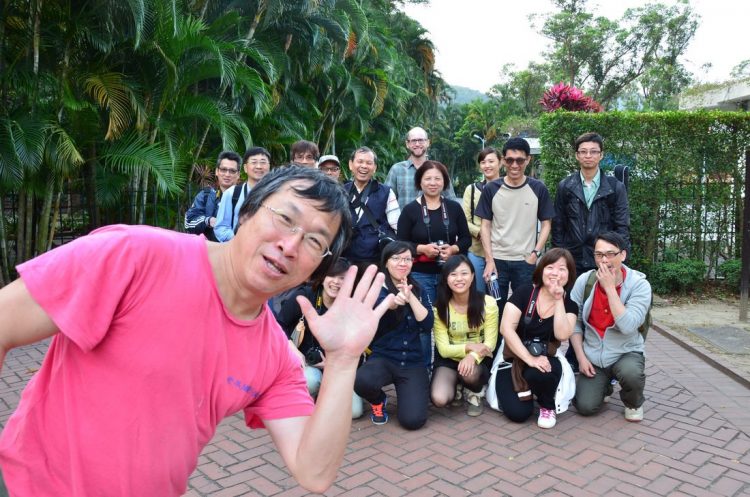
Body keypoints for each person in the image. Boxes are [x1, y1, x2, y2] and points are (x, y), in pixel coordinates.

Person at [0, 166, 395, 496]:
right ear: (246, 213)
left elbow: (314, 472)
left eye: (313, 241)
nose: (290, 245)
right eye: (285, 218)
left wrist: (343, 361)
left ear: (318, 267)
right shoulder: (136, 255)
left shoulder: (274, 356)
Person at [552, 132, 630, 371]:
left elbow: (622, 225)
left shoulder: (614, 188)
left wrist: (615, 261)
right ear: (576, 155)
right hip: (574, 258)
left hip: (603, 259)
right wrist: (560, 259)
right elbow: (559, 225)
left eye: (593, 151)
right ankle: (576, 358)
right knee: (574, 309)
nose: (588, 156)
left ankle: (606, 358)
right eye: (583, 151)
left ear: (601, 155)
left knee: (601, 308)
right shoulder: (566, 186)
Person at [569, 232, 651, 422]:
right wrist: (581, 358)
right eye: (599, 255)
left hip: (626, 352)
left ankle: (633, 402)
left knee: (631, 374)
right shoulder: (585, 281)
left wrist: (610, 288)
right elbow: (574, 322)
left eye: (610, 254)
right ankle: (604, 385)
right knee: (585, 406)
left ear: (622, 255)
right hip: (595, 356)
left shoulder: (640, 286)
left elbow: (628, 325)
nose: (604, 260)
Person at [494, 248, 578, 429]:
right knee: (518, 414)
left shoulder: (570, 305)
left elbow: (562, 335)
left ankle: (547, 405)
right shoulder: (524, 293)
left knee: (542, 372)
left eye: (562, 268)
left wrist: (558, 300)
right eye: (550, 267)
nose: (555, 273)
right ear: (541, 270)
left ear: (569, 275)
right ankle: (526, 389)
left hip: (546, 359)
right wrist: (529, 359)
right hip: (513, 357)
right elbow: (506, 329)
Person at [354, 241, 433, 429]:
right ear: (386, 262)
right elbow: (372, 319)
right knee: (362, 381)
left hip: (412, 361)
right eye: (396, 258)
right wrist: (392, 303)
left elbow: (427, 325)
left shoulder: (419, 289)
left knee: (413, 421)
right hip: (384, 358)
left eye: (407, 259)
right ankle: (378, 400)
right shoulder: (376, 290)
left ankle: (408, 392)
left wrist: (410, 296)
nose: (402, 263)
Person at [275, 258, 364, 419]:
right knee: (311, 380)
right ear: (323, 277)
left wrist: (333, 363)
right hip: (307, 364)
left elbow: (360, 349)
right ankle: (306, 392)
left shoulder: (352, 307)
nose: (336, 282)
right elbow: (278, 325)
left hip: (337, 367)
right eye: (332, 276)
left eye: (343, 278)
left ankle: (325, 395)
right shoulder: (305, 296)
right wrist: (294, 350)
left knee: (355, 412)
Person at [477, 137, 554, 310]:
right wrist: (489, 260)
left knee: (524, 309)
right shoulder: (491, 189)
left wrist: (535, 253)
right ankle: (496, 339)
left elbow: (547, 223)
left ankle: (519, 338)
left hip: (525, 261)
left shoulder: (538, 188)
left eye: (520, 160)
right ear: (503, 160)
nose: (514, 165)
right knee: (494, 310)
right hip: (497, 261)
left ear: (528, 160)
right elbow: (485, 225)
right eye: (510, 160)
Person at [431, 255, 498, 417]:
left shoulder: (488, 303)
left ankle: (475, 391)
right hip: (449, 360)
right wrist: (469, 346)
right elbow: (444, 349)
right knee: (439, 399)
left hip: (478, 359)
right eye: (453, 274)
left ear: (473, 276)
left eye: (464, 273)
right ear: (446, 278)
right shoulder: (439, 307)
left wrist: (472, 356)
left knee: (470, 373)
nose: (459, 279)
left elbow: (490, 344)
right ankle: (457, 385)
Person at [396, 160, 471, 306]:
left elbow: (466, 239)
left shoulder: (454, 207)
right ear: (420, 182)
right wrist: (422, 249)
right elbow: (400, 244)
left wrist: (452, 249)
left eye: (437, 178)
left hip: (451, 273)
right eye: (428, 178)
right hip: (420, 273)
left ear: (444, 182)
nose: (433, 183)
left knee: (450, 313)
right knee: (427, 314)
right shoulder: (409, 210)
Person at [342, 146, 400, 273]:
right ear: (351, 165)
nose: (364, 166)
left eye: (369, 163)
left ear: (375, 168)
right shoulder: (341, 191)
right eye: (360, 161)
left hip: (375, 261)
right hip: (344, 259)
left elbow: (397, 226)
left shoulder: (386, 192)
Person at [462, 147, 501, 293]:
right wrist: (480, 233)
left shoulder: (507, 188)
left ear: (500, 162)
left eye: (491, 161)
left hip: (501, 252)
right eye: (483, 162)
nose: (487, 165)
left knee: (498, 295)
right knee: (477, 293)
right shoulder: (471, 189)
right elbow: (464, 220)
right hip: (476, 251)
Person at [385, 127, 456, 209]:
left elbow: (451, 202)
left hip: (433, 221)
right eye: (414, 141)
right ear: (407, 144)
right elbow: (386, 200)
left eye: (421, 140)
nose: (417, 144)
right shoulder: (396, 170)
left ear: (428, 142)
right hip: (403, 221)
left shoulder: (439, 170)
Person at [214, 146, 272, 242]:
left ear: (269, 167)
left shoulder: (276, 195)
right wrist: (239, 241)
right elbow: (221, 227)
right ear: (245, 168)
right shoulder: (232, 194)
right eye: (254, 162)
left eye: (263, 162)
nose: (259, 166)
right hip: (239, 251)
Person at [184, 151, 241, 241]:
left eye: (232, 171)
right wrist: (208, 221)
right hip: (210, 252)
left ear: (238, 174)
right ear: (217, 171)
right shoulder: (205, 196)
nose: (227, 174)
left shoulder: (246, 198)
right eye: (223, 169)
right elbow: (188, 222)